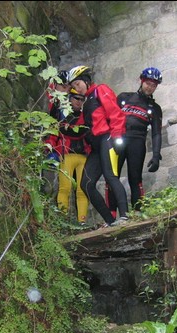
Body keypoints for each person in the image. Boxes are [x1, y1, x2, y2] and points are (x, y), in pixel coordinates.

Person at [68, 65, 129, 227]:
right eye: (74, 87)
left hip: (107, 139)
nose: (77, 89)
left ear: (86, 81)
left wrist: (117, 137)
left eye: (78, 85)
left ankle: (124, 216)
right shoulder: (86, 102)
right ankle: (109, 220)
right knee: (86, 184)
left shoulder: (100, 90)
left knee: (110, 176)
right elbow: (80, 128)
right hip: (95, 147)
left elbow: (115, 113)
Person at [106, 67, 163, 214]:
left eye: (154, 85)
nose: (150, 87)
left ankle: (138, 213)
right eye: (148, 83)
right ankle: (111, 216)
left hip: (137, 143)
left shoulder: (155, 108)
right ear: (141, 81)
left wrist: (156, 155)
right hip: (118, 140)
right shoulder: (124, 97)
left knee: (135, 178)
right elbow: (109, 118)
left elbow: (156, 133)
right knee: (112, 177)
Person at [45, 88, 91, 225]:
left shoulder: (86, 116)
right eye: (77, 98)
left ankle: (82, 221)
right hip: (67, 155)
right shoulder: (62, 114)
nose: (79, 102)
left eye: (82, 99)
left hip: (83, 157)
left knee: (82, 190)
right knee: (64, 188)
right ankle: (63, 220)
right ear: (70, 98)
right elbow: (54, 133)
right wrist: (50, 148)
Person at [43, 70, 70, 197]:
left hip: (55, 146)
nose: (66, 91)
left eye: (68, 89)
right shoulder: (48, 99)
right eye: (64, 87)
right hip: (46, 142)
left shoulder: (63, 104)